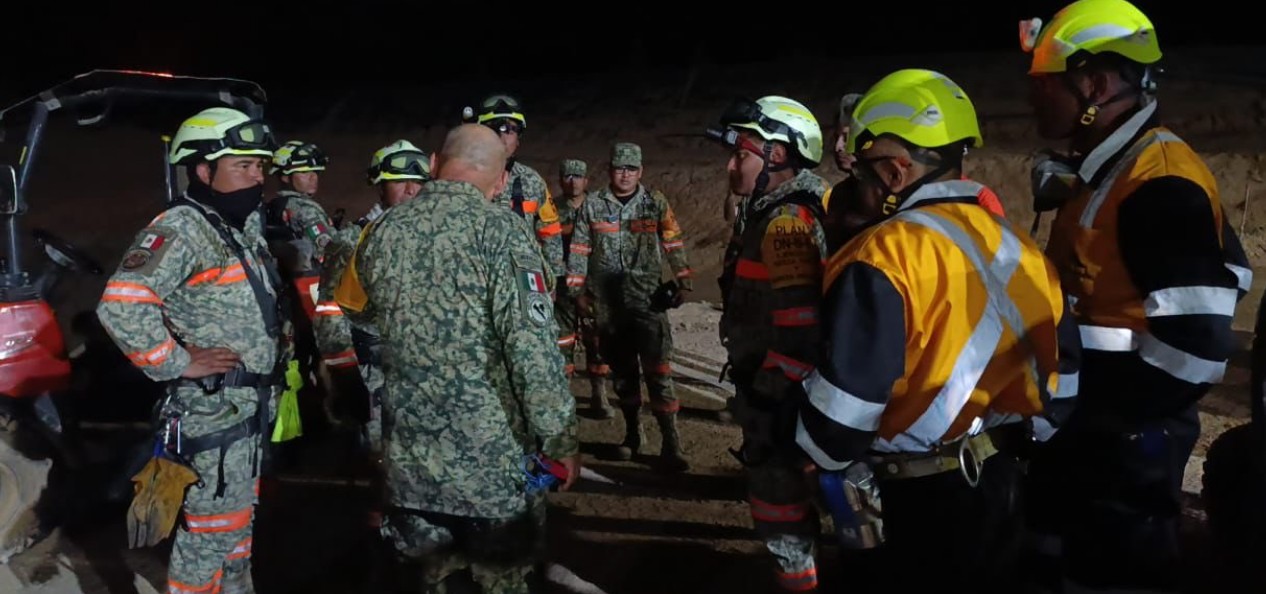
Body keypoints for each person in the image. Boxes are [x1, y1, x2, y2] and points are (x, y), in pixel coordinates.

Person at [796, 68, 1081, 591]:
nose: (856, 182)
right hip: (1002, 491)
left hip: (913, 507)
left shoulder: (882, 255)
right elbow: (1063, 391)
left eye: (862, 170)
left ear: (896, 171)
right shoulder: (1021, 247)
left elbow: (836, 428)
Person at [1019, 0, 1252, 590]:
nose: (1033, 98)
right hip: (1094, 433)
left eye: (1045, 84)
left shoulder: (1160, 181)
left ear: (1094, 83)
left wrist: (1097, 421)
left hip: (1124, 450)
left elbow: (1196, 350)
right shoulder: (1112, 169)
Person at [343, 123, 579, 593]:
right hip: (491, 467)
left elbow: (360, 320)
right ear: (498, 182)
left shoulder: (379, 232)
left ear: (433, 164)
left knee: (423, 581)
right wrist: (559, 438)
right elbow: (532, 349)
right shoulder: (504, 234)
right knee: (503, 578)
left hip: (410, 461)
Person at [97, 106, 286, 594]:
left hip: (243, 414)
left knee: (235, 537)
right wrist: (177, 362)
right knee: (207, 544)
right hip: (212, 413)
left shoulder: (234, 226)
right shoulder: (185, 227)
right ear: (203, 170)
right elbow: (122, 303)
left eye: (259, 166)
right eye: (242, 166)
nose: (256, 177)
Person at [707, 95, 832, 592]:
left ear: (777, 157)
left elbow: (799, 330)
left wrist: (765, 394)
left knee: (780, 507)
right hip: (783, 390)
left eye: (741, 152)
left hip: (780, 396)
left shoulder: (786, 225)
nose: (731, 163)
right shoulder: (772, 211)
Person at [566, 142, 693, 471]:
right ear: (610, 170)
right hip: (609, 306)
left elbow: (673, 239)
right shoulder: (593, 205)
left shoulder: (654, 203)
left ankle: (671, 441)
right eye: (620, 168)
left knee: (659, 372)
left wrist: (683, 278)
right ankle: (634, 434)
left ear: (641, 171)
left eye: (631, 169)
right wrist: (577, 290)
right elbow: (579, 249)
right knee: (623, 375)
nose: (625, 174)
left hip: (647, 300)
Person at [314, 139, 429, 451]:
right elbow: (329, 312)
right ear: (379, 186)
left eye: (419, 182)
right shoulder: (352, 242)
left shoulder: (434, 243)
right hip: (377, 375)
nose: (411, 190)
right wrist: (346, 376)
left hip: (426, 375)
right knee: (385, 462)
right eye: (399, 182)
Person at [464, 93, 565, 283]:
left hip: (522, 280)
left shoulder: (532, 181)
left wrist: (553, 280)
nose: (502, 136)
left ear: (518, 139)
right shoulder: (462, 176)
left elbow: (550, 232)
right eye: (494, 128)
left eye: (511, 130)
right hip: (473, 279)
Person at [554, 158, 611, 417]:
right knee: (562, 341)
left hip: (593, 288)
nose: (573, 181)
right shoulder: (551, 210)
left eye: (578, 176)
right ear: (561, 180)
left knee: (596, 342)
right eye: (568, 176)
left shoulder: (598, 208)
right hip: (561, 287)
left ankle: (599, 395)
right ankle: (563, 396)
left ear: (586, 181)